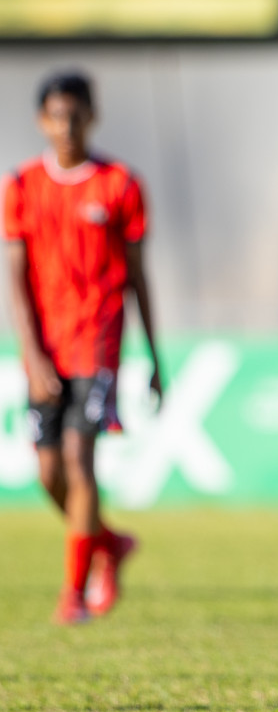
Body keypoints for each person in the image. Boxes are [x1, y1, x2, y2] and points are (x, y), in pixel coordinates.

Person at [4, 71, 162, 625]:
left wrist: (156, 360)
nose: (66, 126)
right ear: (41, 121)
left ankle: (73, 595)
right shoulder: (22, 185)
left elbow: (140, 277)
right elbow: (17, 280)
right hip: (45, 351)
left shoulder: (120, 184)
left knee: (78, 459)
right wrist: (32, 355)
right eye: (56, 116)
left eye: (76, 115)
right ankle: (108, 542)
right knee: (48, 474)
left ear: (91, 117)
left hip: (98, 344)